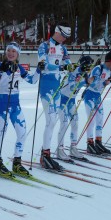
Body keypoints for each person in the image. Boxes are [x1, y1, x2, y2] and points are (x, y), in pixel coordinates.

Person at [0, 42, 41, 177]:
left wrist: (38, 70)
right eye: (9, 50)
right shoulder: (0, 66)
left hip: (15, 105)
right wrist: (3, 73)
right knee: (0, 134)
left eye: (14, 51)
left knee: (22, 133)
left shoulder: (19, 68)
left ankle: (17, 163)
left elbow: (32, 80)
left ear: (18, 54)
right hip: (2, 105)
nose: (11, 53)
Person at [37, 21, 73, 170]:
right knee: (50, 120)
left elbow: (68, 64)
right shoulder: (44, 46)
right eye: (63, 35)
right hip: (46, 87)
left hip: (57, 87)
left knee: (54, 121)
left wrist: (73, 67)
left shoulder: (63, 48)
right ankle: (45, 155)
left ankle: (46, 153)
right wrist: (61, 66)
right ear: (57, 31)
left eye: (67, 37)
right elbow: (43, 65)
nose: (65, 39)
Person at [57, 55, 94, 160]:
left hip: (71, 100)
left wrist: (87, 85)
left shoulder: (85, 73)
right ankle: (60, 150)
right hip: (62, 100)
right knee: (64, 124)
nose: (89, 68)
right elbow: (73, 86)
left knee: (75, 123)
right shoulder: (74, 72)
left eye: (90, 66)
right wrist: (85, 82)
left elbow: (87, 84)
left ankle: (73, 148)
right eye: (88, 65)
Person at [83, 51, 111, 155]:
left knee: (100, 118)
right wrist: (106, 82)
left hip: (97, 96)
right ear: (108, 61)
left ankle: (98, 141)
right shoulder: (98, 69)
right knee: (91, 120)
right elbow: (93, 82)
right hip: (90, 95)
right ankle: (90, 143)